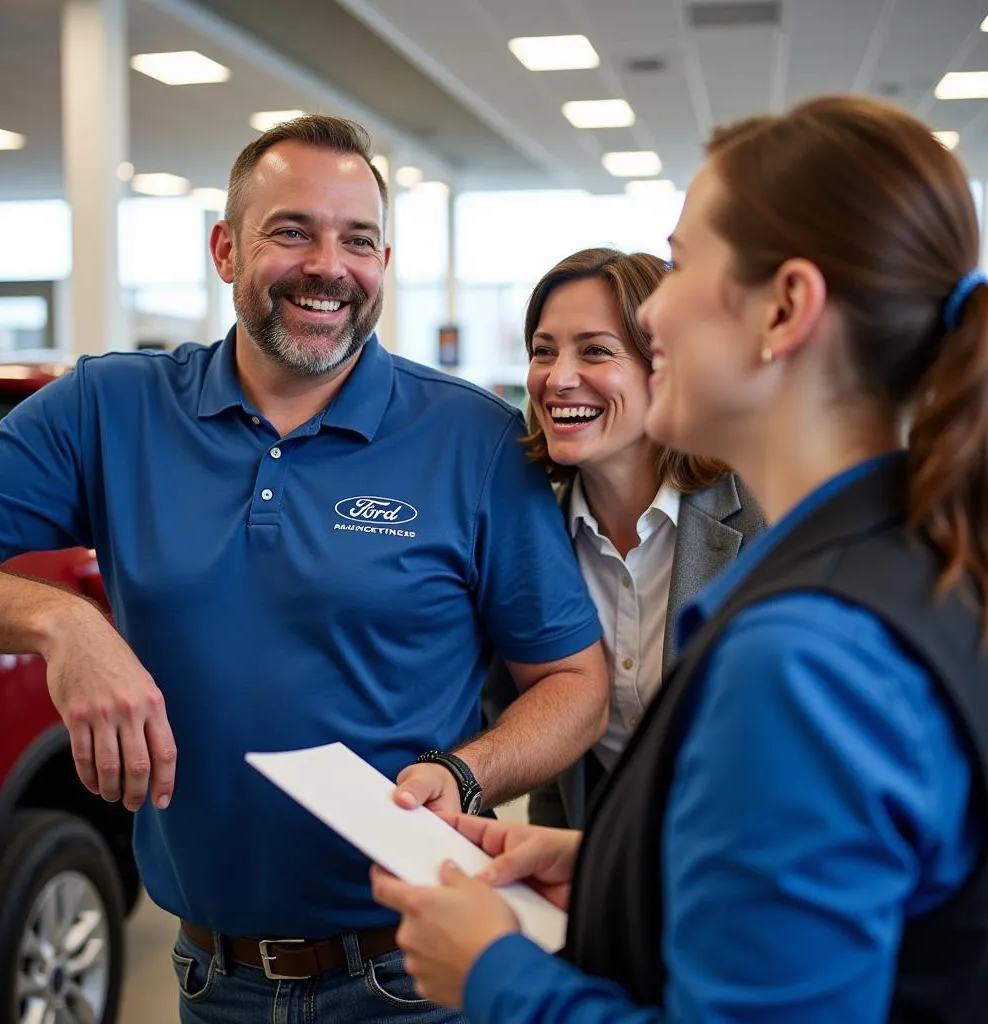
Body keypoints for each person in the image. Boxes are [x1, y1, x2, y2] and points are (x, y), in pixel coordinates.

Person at [0, 115, 610, 1023]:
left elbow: (576, 683)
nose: (328, 267)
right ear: (226, 249)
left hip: (419, 975)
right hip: (209, 975)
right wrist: (59, 623)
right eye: (293, 231)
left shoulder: (472, 440)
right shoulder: (112, 409)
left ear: (385, 260)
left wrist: (465, 774)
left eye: (358, 240)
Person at [372, 95, 988, 1022]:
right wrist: (617, 866)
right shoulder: (914, 556)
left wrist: (494, 973)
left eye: (685, 261)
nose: (654, 308)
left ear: (785, 308)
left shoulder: (805, 658)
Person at [482, 247, 764, 829]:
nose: (558, 378)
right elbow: (561, 766)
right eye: (543, 351)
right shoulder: (532, 532)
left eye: (596, 351)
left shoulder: (762, 518)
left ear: (664, 368)